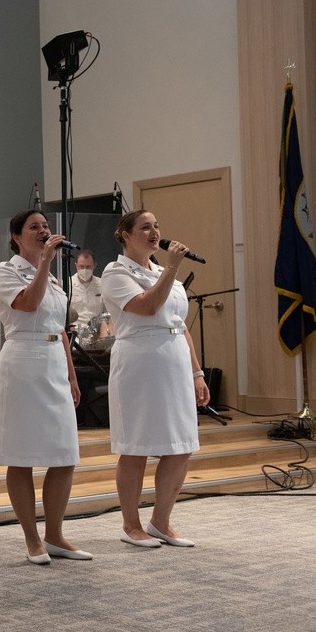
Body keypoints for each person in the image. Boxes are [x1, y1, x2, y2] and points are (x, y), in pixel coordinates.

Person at [101, 210, 210, 548]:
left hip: (175, 359)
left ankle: (161, 521)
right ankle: (130, 524)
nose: (154, 232)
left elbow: (179, 325)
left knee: (180, 447)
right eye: (145, 227)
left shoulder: (165, 272)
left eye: (157, 226)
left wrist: (197, 372)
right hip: (140, 362)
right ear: (125, 234)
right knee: (136, 447)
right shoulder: (115, 271)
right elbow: (147, 308)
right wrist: (175, 268)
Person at [0, 209, 90, 564]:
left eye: (46, 227)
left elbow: (60, 328)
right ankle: (32, 538)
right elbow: (29, 305)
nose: (43, 231)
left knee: (64, 454)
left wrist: (72, 374)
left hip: (52, 362)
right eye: (35, 227)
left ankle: (56, 534)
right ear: (16, 236)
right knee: (22, 455)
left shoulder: (56, 280)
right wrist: (45, 261)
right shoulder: (6, 271)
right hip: (23, 362)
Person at [70, 249, 103, 331]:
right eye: (81, 266)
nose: (84, 270)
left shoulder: (103, 284)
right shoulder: (67, 285)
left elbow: (109, 312)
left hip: (98, 333)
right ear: (76, 265)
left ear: (94, 266)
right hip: (75, 332)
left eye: (88, 267)